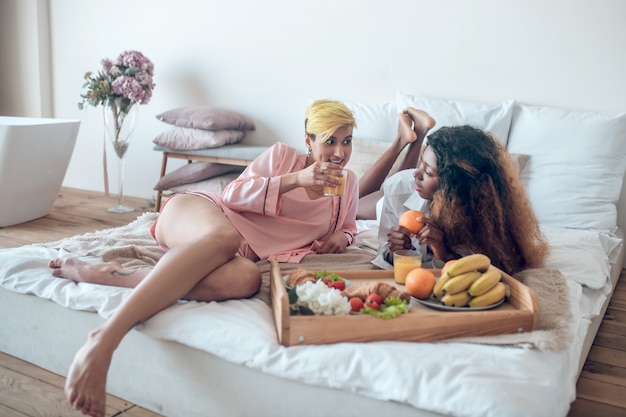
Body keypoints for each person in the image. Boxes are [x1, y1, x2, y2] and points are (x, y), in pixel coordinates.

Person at [49, 99, 358, 417]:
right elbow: (233, 194)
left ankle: (112, 275)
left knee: (246, 278)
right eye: (329, 141)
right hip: (203, 213)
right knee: (225, 237)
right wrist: (296, 180)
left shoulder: (349, 184)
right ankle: (106, 337)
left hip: (240, 252)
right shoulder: (282, 156)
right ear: (309, 141)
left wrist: (342, 236)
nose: (339, 152)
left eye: (346, 141)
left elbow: (349, 227)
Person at [373, 118, 548, 275]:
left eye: (427, 171)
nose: (416, 174)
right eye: (421, 163)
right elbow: (383, 251)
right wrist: (393, 251)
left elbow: (493, 268)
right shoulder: (398, 188)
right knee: (358, 205)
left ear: (454, 185)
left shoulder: (485, 216)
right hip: (381, 202)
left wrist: (443, 253)